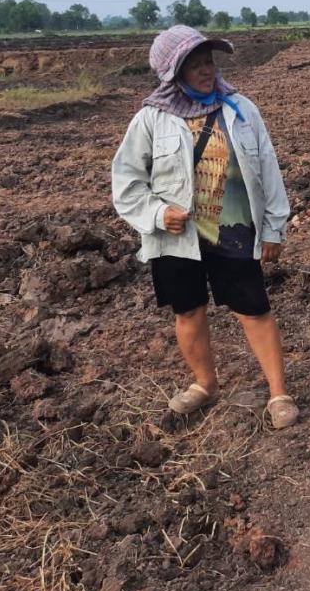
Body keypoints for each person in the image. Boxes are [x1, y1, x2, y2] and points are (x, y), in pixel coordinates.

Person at [111, 25, 297, 428]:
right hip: (177, 240)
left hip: (233, 229)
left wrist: (273, 228)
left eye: (207, 60)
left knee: (254, 309)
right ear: (171, 72)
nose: (205, 70)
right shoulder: (150, 120)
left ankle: (279, 393)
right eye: (193, 64)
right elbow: (126, 184)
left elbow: (268, 169)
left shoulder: (241, 110)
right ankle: (205, 384)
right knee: (188, 311)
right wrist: (159, 215)